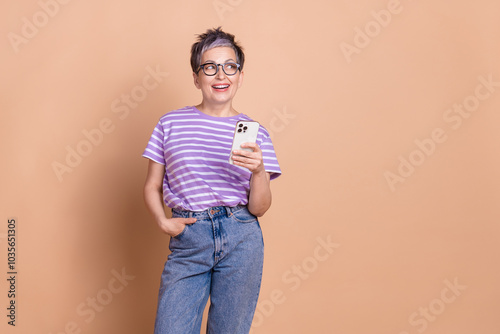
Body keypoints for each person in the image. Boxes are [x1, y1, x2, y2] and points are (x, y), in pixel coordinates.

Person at [142, 27, 282, 334]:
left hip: (241, 237)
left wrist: (259, 171)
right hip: (189, 237)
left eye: (230, 66)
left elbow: (259, 208)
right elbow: (152, 185)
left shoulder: (255, 132)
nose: (221, 75)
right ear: (196, 77)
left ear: (240, 76)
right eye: (210, 67)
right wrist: (163, 222)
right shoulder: (170, 123)